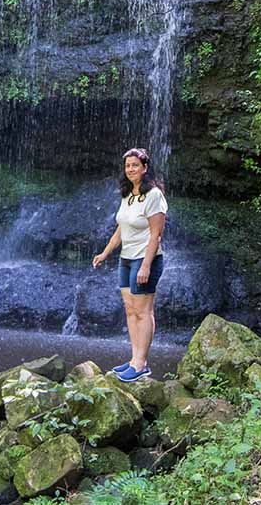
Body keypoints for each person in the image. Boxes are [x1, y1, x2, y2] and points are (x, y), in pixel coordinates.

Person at [92, 147, 167, 382]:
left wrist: (145, 266)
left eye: (135, 165)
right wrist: (105, 253)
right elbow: (121, 229)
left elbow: (156, 235)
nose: (130, 169)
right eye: (127, 166)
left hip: (146, 260)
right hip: (125, 259)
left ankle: (142, 364)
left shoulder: (154, 195)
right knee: (130, 309)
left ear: (145, 168)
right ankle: (134, 359)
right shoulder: (127, 194)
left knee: (143, 311)